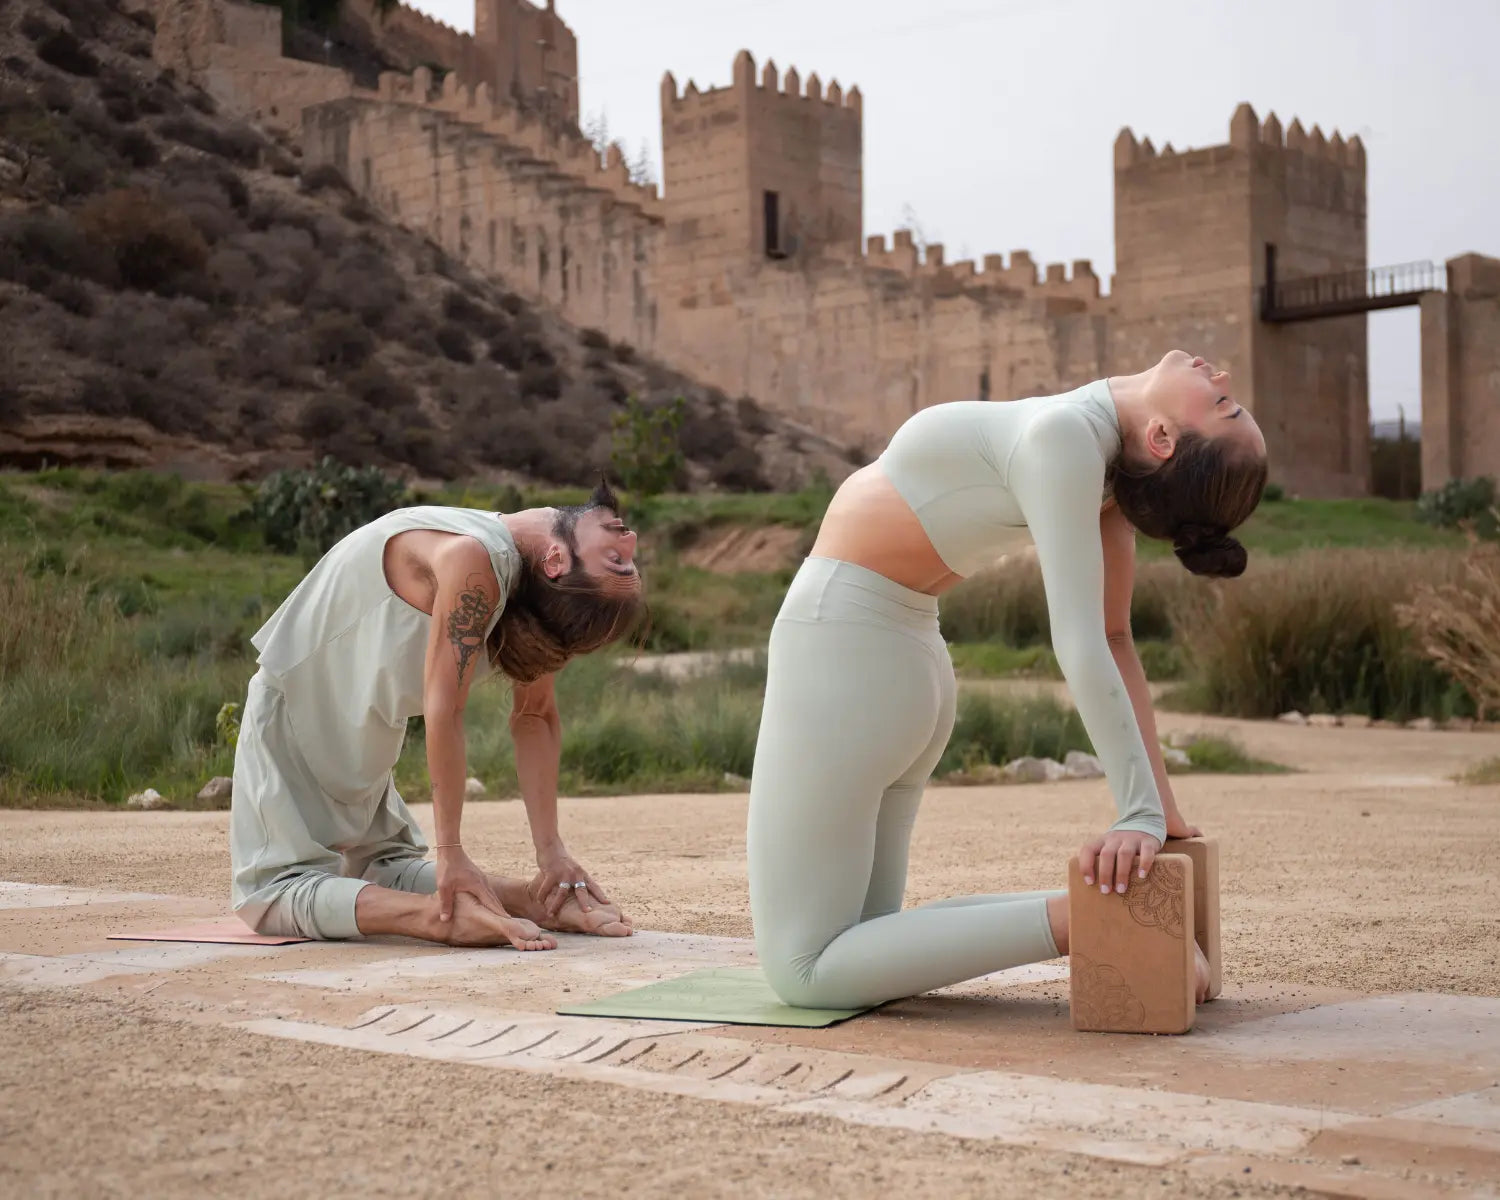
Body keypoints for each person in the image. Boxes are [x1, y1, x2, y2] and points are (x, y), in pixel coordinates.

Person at [747, 351, 1268, 1009]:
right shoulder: (1098, 463)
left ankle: (1089, 918)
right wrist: (1157, 809)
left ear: (1163, 438)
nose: (1219, 377)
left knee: (805, 970)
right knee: (862, 942)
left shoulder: (1065, 438)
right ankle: (1089, 913)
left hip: (844, 649)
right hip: (900, 661)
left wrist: (1142, 811)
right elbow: (1113, 638)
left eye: (1223, 404)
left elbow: (1087, 641)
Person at [230, 480, 645, 949]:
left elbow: (533, 716)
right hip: (326, 712)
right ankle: (480, 906)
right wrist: (451, 855)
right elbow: (450, 708)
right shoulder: (498, 553)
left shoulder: (508, 576)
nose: (628, 539)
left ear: (557, 561)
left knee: (272, 893)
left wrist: (550, 857)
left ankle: (460, 913)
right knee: (382, 869)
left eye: (618, 561)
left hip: (319, 715)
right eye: (624, 558)